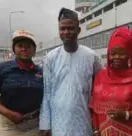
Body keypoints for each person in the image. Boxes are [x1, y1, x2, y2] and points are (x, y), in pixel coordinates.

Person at [39, 7, 102, 136]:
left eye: (71, 28)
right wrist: (45, 124)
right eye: (62, 28)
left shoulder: (92, 57)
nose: (66, 32)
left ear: (78, 30)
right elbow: (47, 92)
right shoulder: (51, 58)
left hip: (84, 123)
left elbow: (100, 91)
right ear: (59, 31)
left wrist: (98, 124)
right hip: (58, 125)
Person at [89, 27, 132, 136]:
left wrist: (126, 114)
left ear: (129, 54)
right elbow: (94, 109)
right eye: (113, 53)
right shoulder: (100, 77)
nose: (116, 57)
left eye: (122, 53)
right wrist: (96, 130)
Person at [0, 29, 43, 136]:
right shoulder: (1, 69)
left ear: (34, 50)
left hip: (36, 125)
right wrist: (8, 113)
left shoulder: (41, 71)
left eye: (28, 46)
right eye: (20, 45)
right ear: (14, 49)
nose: (24, 49)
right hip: (9, 127)